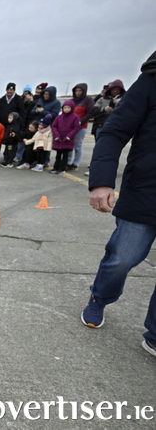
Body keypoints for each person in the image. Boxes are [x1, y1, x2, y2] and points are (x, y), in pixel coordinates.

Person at [81, 49, 156, 359]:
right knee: (122, 258)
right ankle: (100, 297)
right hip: (147, 191)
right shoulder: (151, 80)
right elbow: (114, 131)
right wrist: (101, 180)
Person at [65, 84, 94, 172]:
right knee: (69, 145)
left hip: (81, 127)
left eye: (80, 91)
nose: (78, 93)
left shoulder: (88, 100)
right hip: (70, 127)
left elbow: (89, 113)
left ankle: (76, 163)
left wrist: (79, 122)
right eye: (76, 91)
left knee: (77, 145)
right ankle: (68, 162)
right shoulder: (72, 101)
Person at [49, 100, 81, 174]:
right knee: (58, 154)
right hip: (59, 139)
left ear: (72, 108)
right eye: (65, 107)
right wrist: (56, 135)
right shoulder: (59, 117)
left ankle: (62, 168)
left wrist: (69, 136)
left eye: (68, 107)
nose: (66, 109)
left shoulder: (75, 117)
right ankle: (55, 167)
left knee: (65, 155)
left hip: (68, 140)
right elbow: (54, 126)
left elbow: (76, 128)